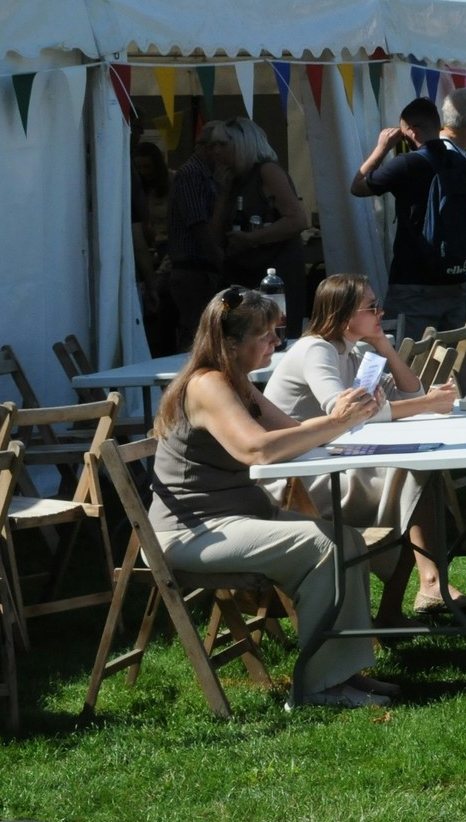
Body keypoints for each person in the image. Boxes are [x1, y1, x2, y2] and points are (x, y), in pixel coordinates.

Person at [147, 286, 390, 709]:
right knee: (322, 546)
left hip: (235, 519)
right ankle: (318, 687)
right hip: (193, 532)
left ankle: (344, 671)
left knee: (346, 539)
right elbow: (256, 449)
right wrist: (336, 422)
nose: (278, 343)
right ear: (231, 342)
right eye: (266, 335)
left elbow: (291, 432)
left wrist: (352, 415)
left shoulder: (235, 381)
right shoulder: (207, 385)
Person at [259, 273, 466, 622]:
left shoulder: (353, 350)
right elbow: (343, 411)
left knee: (421, 473)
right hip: (294, 482)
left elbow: (408, 393)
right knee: (416, 476)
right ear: (345, 315)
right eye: (372, 307)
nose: (381, 312)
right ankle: (425, 587)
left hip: (327, 463)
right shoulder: (316, 349)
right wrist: (426, 404)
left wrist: (384, 346)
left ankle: (421, 590)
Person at [352, 92, 466, 352]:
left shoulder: (406, 164)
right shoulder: (460, 163)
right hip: (454, 275)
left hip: (414, 279)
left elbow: (358, 186)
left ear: (411, 131)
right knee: (452, 360)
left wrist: (382, 147)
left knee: (410, 356)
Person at [216, 117, 309, 339]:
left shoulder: (267, 171)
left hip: (275, 272)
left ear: (242, 144)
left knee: (275, 334)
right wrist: (222, 192)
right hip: (244, 272)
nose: (215, 152)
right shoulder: (233, 179)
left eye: (222, 145)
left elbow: (297, 220)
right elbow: (216, 232)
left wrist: (252, 238)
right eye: (212, 146)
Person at [166, 121, 232, 348]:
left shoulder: (206, 174)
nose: (220, 153)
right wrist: (220, 259)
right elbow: (198, 225)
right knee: (196, 330)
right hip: (193, 269)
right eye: (217, 146)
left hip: (201, 268)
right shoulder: (191, 174)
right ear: (205, 147)